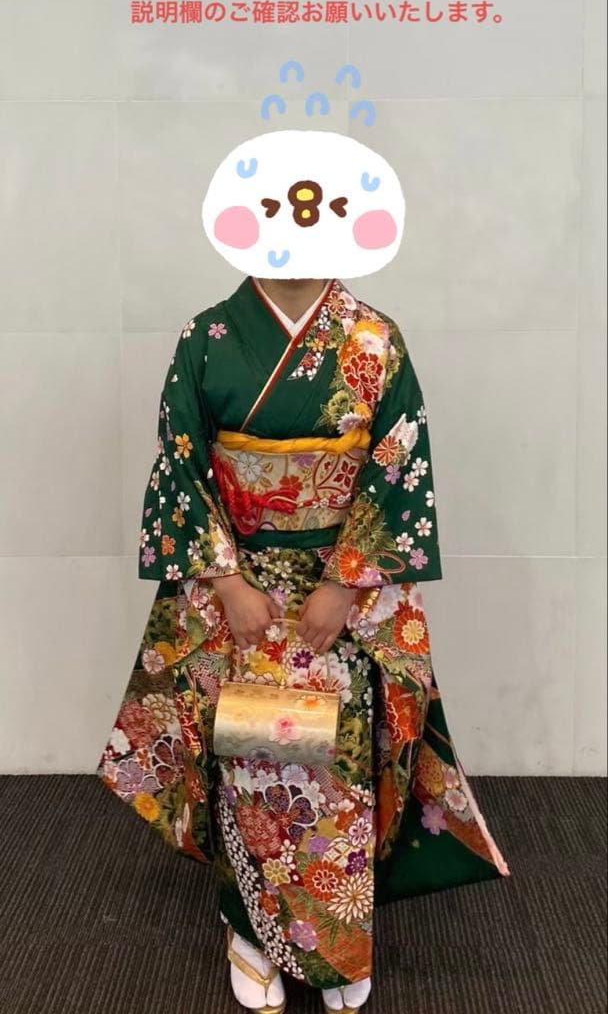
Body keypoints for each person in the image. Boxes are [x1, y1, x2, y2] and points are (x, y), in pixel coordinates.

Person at [97, 272, 510, 1014]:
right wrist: (227, 584)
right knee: (248, 755)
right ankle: (249, 933)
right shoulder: (206, 337)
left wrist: (346, 585)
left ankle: (335, 943)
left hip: (337, 591)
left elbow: (397, 467)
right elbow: (181, 465)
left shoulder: (373, 339)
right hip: (242, 589)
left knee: (337, 760)